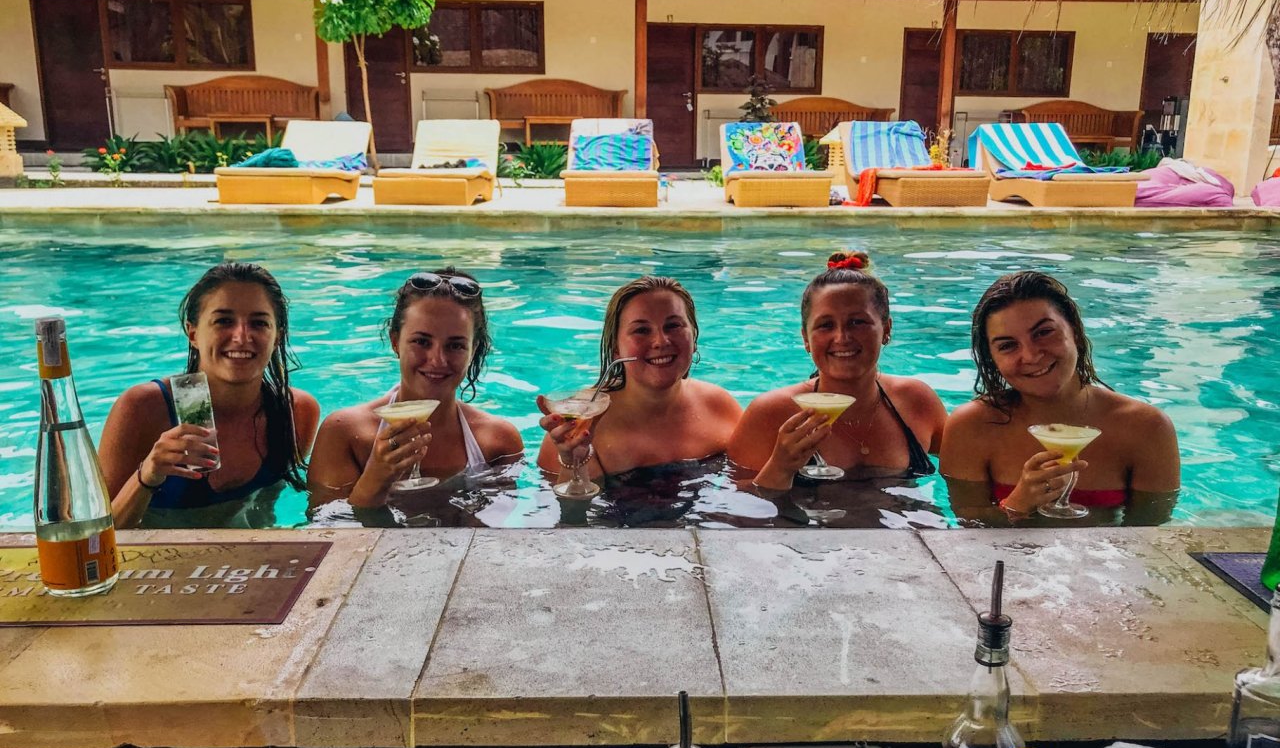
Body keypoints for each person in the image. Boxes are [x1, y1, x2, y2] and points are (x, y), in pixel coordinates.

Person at [939, 270, 1180, 525]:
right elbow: (967, 531)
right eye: (1008, 345)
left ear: (1074, 331)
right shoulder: (971, 426)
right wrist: (1016, 505)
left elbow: (1151, 537)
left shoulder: (1146, 427)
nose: (1031, 356)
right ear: (992, 359)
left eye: (1043, 332)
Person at [100, 262, 320, 528]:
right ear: (192, 333)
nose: (241, 336)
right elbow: (97, 537)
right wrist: (148, 474)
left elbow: (265, 510)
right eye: (224, 321)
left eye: (259, 323)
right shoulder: (146, 407)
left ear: (276, 337)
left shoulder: (295, 411)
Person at [728, 252, 947, 490]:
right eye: (825, 325)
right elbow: (734, 514)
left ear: (886, 329)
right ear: (806, 339)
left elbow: (965, 481)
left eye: (858, 322)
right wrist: (780, 467)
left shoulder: (917, 401)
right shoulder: (771, 414)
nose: (842, 338)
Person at [308, 269, 523, 509]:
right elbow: (325, 532)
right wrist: (375, 479)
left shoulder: (497, 442)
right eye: (421, 341)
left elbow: (503, 536)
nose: (438, 360)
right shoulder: (345, 433)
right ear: (395, 342)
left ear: (473, 351)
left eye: (455, 345)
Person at [536, 276, 742, 491]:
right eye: (641, 330)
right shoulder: (578, 426)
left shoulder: (720, 406)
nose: (661, 341)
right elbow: (569, 520)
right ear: (616, 347)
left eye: (673, 325)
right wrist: (573, 463)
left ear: (694, 337)